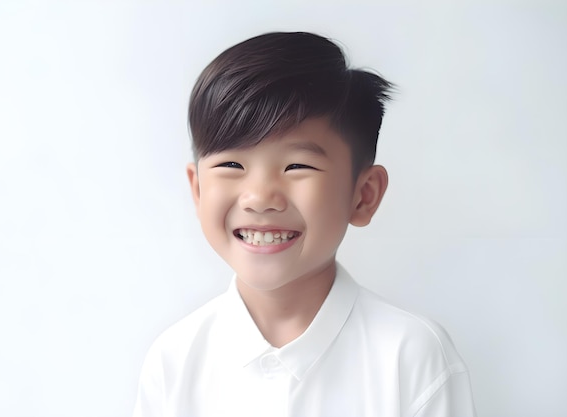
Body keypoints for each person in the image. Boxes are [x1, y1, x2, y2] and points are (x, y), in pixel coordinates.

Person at [132, 31, 477, 417]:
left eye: (297, 166)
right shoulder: (174, 360)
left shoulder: (412, 355)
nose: (260, 197)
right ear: (198, 190)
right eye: (232, 165)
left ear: (363, 195)